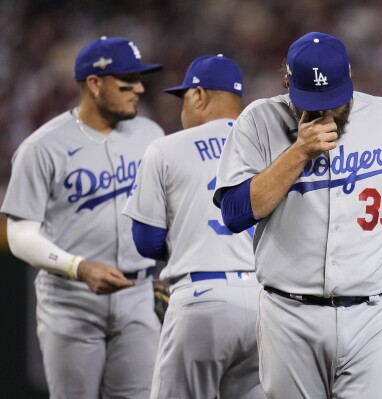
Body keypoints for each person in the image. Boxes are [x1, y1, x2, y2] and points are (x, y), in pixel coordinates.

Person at [213, 31, 382, 398]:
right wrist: (298, 153)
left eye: (334, 97)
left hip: (374, 316)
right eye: (313, 100)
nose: (327, 110)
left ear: (350, 75)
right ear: (287, 82)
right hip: (289, 317)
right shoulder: (258, 121)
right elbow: (235, 213)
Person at [1, 36, 164, 398]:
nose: (139, 88)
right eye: (127, 81)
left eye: (139, 79)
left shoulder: (150, 134)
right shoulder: (41, 147)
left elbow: (167, 212)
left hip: (138, 294)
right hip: (70, 300)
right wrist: (78, 266)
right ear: (94, 84)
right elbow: (20, 235)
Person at [122, 54, 264, 399]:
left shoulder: (167, 148)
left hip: (202, 298)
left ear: (199, 96)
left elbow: (146, 241)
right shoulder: (274, 149)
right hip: (267, 303)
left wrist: (188, 239)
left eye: (183, 97)